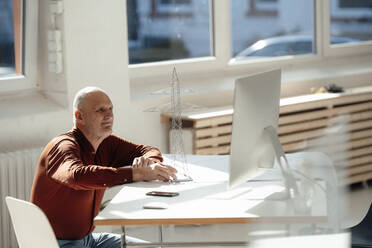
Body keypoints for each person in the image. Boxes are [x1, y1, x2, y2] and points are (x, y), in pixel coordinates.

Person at [30, 86, 177, 248]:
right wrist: (137, 173)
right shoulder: (62, 146)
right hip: (55, 244)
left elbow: (147, 150)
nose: (109, 115)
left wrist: (149, 162)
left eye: (110, 109)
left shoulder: (105, 143)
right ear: (80, 116)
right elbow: (76, 176)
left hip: (89, 240)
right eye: (100, 110)